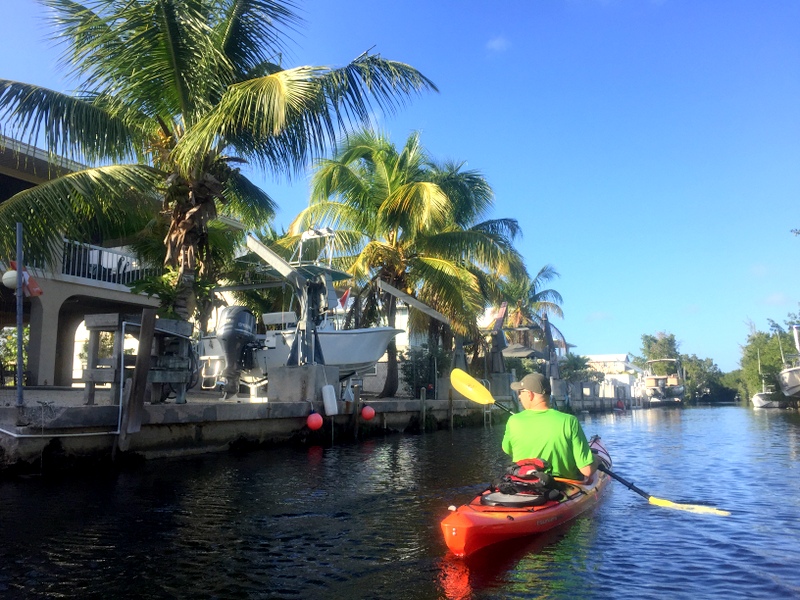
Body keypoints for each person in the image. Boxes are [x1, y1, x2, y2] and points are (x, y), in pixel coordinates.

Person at [501, 372, 599, 481]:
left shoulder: (513, 420)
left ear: (530, 394)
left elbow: (507, 449)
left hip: (521, 484)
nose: (519, 396)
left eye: (520, 392)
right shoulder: (570, 421)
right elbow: (587, 470)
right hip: (561, 487)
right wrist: (597, 460)